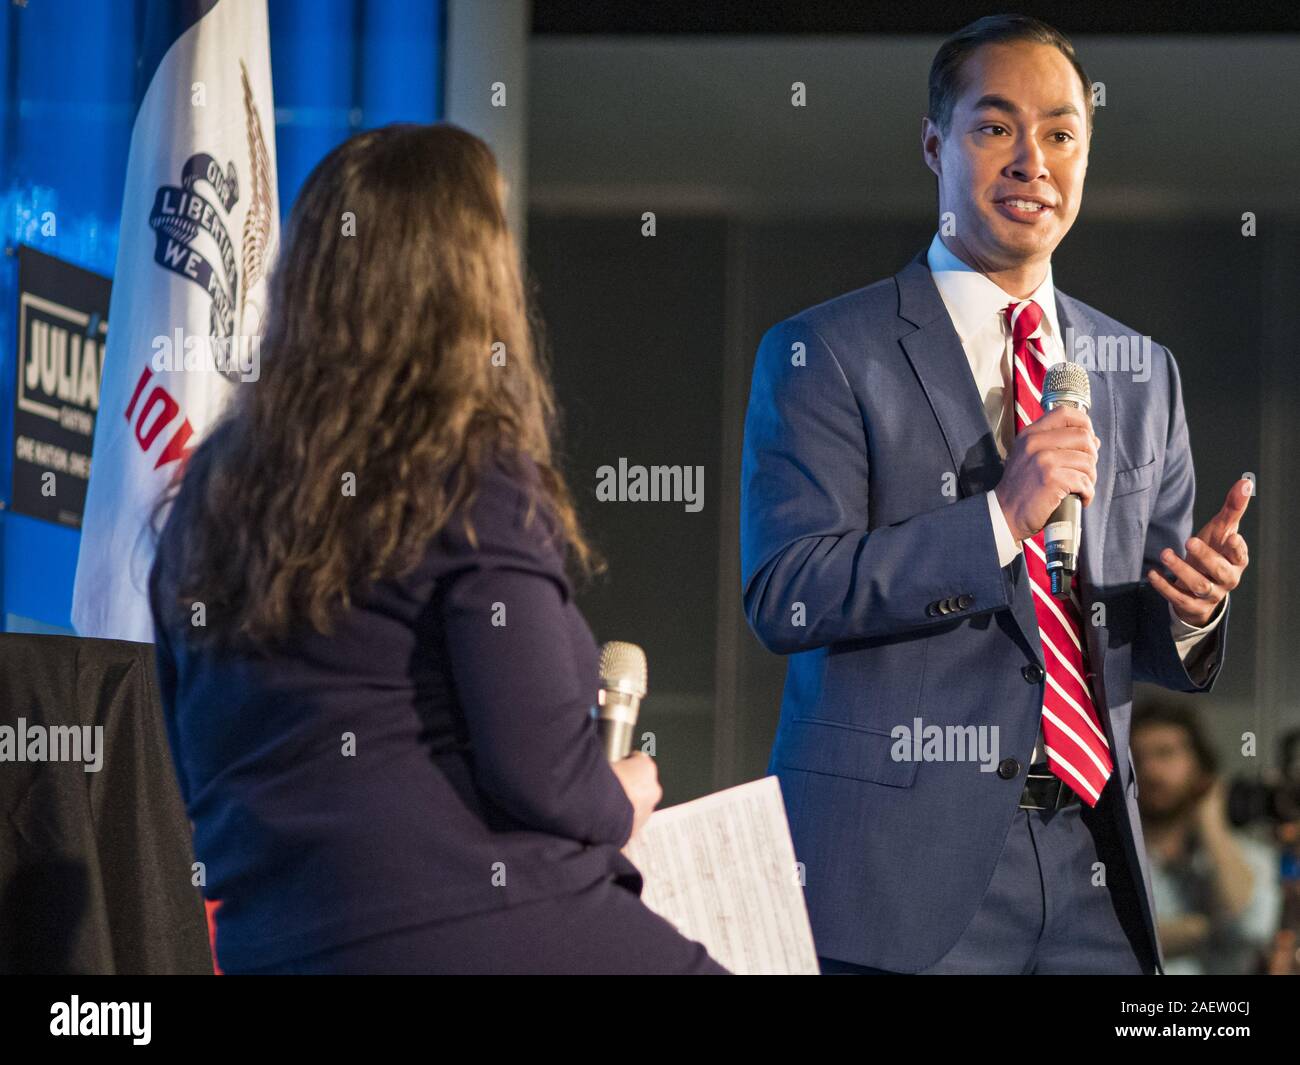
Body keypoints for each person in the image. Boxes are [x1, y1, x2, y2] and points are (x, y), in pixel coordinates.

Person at [148, 123, 726, 975]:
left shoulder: (207, 494)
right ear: (474, 280)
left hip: (277, 945)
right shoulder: (468, 474)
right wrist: (621, 798)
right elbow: (544, 776)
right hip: (474, 923)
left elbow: (194, 764)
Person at [740, 14, 1252, 974]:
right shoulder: (827, 352)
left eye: (1061, 133)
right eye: (995, 128)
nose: (1033, 160)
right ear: (935, 144)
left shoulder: (1140, 371)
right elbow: (786, 592)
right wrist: (996, 520)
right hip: (895, 877)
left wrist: (1194, 610)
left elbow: (1148, 634)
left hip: (1095, 864)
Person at [1132, 701, 1280, 974]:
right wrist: (1211, 928)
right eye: (1137, 759)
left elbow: (1250, 927)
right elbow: (1111, 940)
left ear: (1200, 765)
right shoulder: (1111, 860)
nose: (1149, 771)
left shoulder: (1251, 855)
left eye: (1165, 754)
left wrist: (1212, 821)